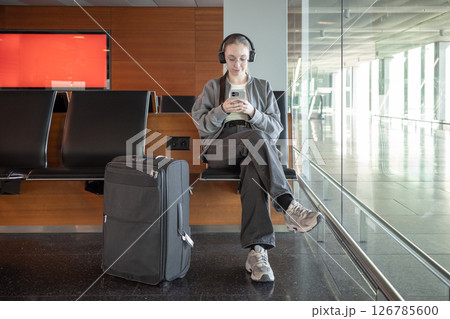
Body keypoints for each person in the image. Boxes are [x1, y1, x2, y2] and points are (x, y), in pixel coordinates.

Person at [191, 33, 323, 282]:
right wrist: (221, 110)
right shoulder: (213, 87)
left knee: (254, 169)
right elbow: (202, 125)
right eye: (231, 59)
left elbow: (275, 128)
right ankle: (288, 205)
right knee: (257, 140)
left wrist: (253, 112)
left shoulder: (262, 87)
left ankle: (258, 253)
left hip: (256, 149)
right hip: (221, 148)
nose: (237, 64)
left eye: (242, 58)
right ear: (223, 58)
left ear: (250, 58)